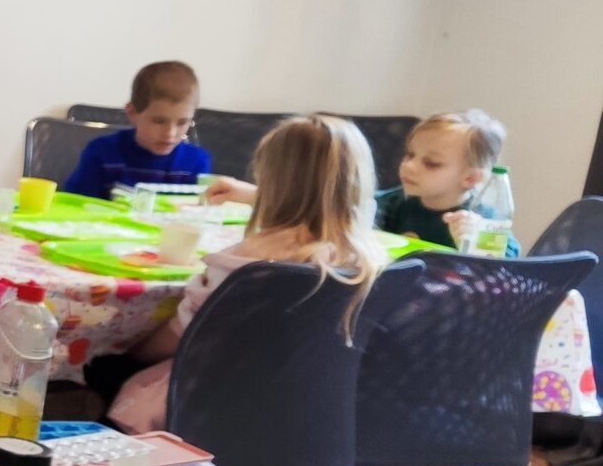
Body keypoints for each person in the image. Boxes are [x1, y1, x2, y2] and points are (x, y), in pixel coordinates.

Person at [104, 116, 385, 435]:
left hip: (214, 405)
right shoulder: (366, 258)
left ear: (272, 180)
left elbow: (184, 336)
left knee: (108, 371)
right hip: (319, 414)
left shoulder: (244, 264)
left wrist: (129, 353)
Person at [60, 61, 216, 200]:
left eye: (183, 122)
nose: (170, 133)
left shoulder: (196, 162)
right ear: (132, 113)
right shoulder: (102, 153)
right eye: (159, 121)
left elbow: (196, 219)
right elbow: (75, 206)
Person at [379, 110, 516, 254]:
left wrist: (475, 244)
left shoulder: (482, 220)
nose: (409, 166)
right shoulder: (392, 203)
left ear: (470, 178)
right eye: (410, 154)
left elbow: (510, 261)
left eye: (431, 163)